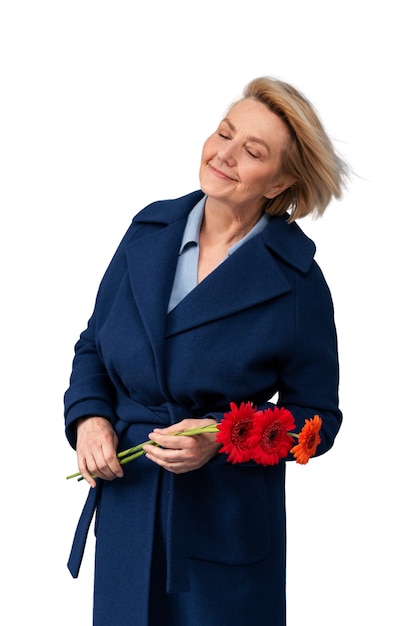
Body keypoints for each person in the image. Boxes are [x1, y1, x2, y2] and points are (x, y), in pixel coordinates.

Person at [64, 76, 347, 626]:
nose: (225, 155)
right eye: (224, 133)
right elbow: (94, 345)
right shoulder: (147, 231)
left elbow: (319, 421)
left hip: (223, 527)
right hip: (131, 506)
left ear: (281, 181)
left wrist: (218, 437)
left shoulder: (297, 282)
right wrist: (89, 418)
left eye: (253, 152)